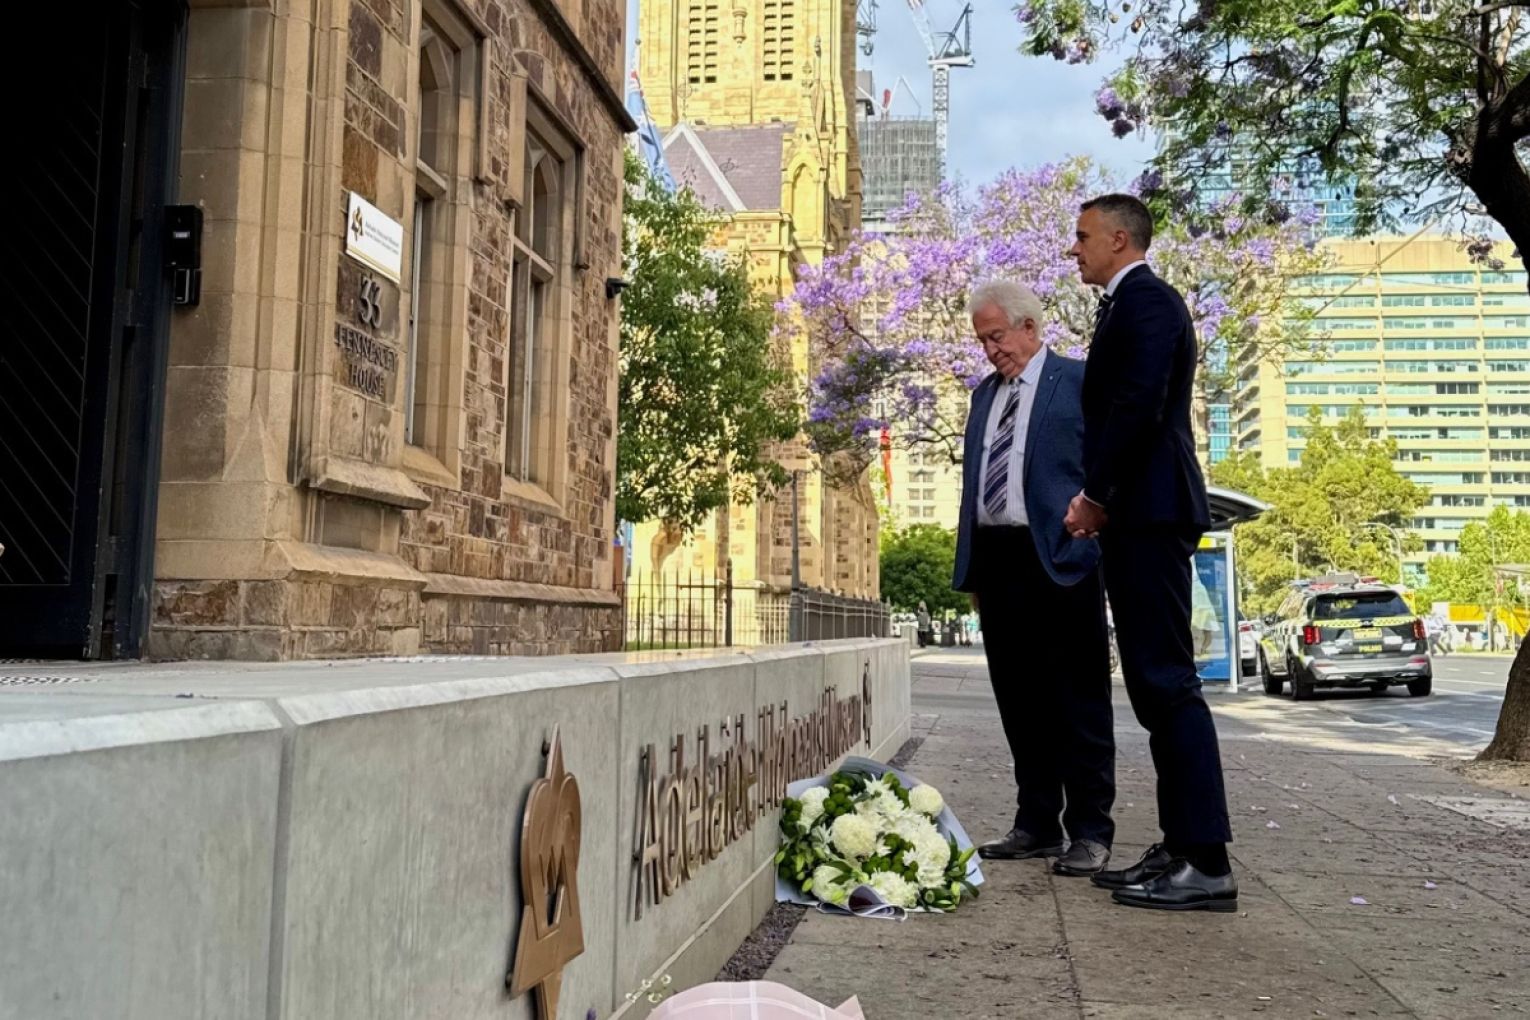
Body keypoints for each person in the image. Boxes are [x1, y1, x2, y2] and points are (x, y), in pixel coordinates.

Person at [1062, 194, 1236, 912]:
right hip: (1138, 513)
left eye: (1082, 237)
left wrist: (1096, 494)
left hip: (1150, 508)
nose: (1073, 249)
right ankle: (1181, 843)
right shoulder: (1123, 306)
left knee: (1167, 683)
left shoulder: (1151, 303)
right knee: (1151, 684)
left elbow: (1136, 403)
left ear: (1120, 239)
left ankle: (1206, 859)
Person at [953, 279, 1116, 878]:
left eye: (997, 337)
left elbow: (1108, 462)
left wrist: (1099, 526)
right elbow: (974, 486)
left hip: (1062, 559)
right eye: (983, 341)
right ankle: (1037, 822)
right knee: (1019, 700)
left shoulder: (1076, 381)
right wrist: (970, 566)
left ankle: (1092, 831)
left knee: (1078, 701)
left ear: (1029, 328)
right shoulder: (981, 398)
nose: (991, 350)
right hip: (999, 562)